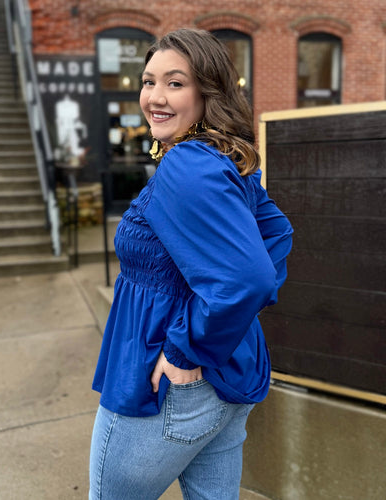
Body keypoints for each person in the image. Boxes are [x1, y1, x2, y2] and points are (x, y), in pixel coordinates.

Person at [89, 28, 293, 500]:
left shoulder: (188, 166)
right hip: (222, 380)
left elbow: (251, 275)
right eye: (148, 81)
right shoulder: (218, 158)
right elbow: (275, 236)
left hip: (171, 386)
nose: (155, 97)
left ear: (208, 91)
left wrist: (187, 348)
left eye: (175, 84)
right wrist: (225, 323)